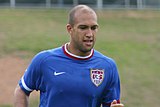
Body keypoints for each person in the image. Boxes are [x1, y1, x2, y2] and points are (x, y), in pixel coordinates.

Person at [14, 5, 124, 107]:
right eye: (83, 27)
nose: (89, 34)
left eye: (94, 28)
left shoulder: (108, 66)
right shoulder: (44, 61)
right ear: (70, 29)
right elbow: (22, 90)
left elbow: (111, 104)